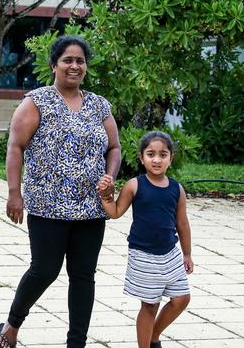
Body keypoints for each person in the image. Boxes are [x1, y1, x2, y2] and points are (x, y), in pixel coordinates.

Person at [0, 35, 121, 348]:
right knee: (44, 270)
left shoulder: (99, 106)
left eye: (80, 61)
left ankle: (76, 343)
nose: (74, 66)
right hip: (46, 207)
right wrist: (15, 192)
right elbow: (15, 146)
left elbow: (115, 147)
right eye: (67, 60)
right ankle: (12, 325)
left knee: (83, 276)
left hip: (91, 209)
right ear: (54, 65)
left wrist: (109, 177)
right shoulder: (36, 101)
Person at [97, 131, 194, 348]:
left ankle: (153, 337)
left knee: (181, 299)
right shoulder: (134, 185)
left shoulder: (177, 189)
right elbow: (115, 211)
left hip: (170, 254)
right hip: (143, 255)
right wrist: (105, 196)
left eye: (163, 154)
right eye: (151, 154)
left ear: (171, 158)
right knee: (150, 305)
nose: (157, 159)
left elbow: (183, 224)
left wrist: (187, 253)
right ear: (142, 158)